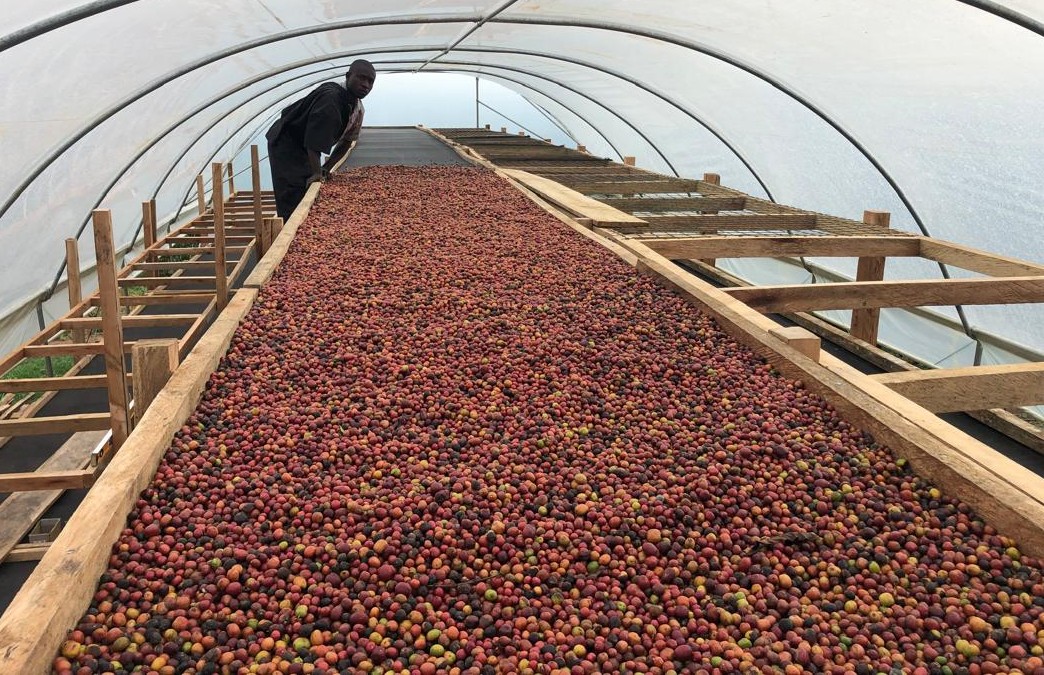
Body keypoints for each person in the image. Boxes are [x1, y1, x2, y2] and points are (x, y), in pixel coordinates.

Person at [266, 59, 376, 220]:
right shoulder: (331, 98)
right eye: (361, 78)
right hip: (287, 143)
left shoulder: (357, 109)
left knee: (308, 182)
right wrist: (317, 174)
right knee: (294, 191)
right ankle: (289, 223)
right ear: (348, 76)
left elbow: (347, 142)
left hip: (306, 146)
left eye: (370, 81)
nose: (365, 85)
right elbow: (314, 140)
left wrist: (326, 168)